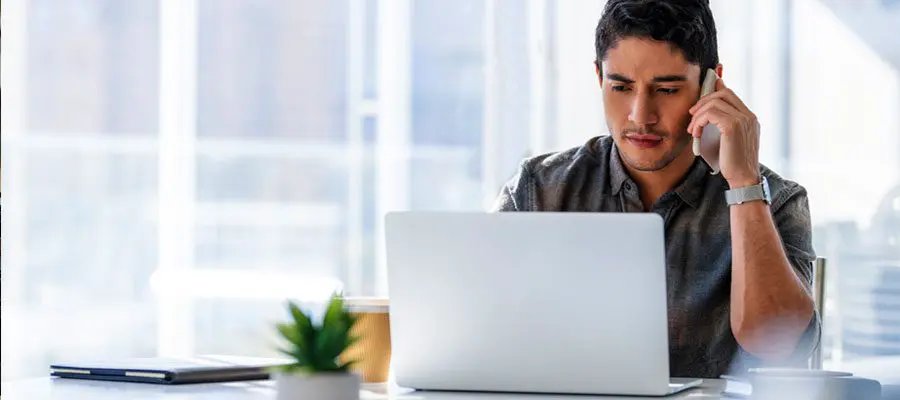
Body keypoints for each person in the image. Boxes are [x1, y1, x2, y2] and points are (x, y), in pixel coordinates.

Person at [492, 0, 819, 378]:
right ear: (599, 78)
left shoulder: (774, 199)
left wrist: (743, 183)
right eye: (621, 86)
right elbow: (485, 332)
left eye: (666, 89)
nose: (640, 115)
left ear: (711, 86)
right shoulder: (539, 189)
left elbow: (775, 343)